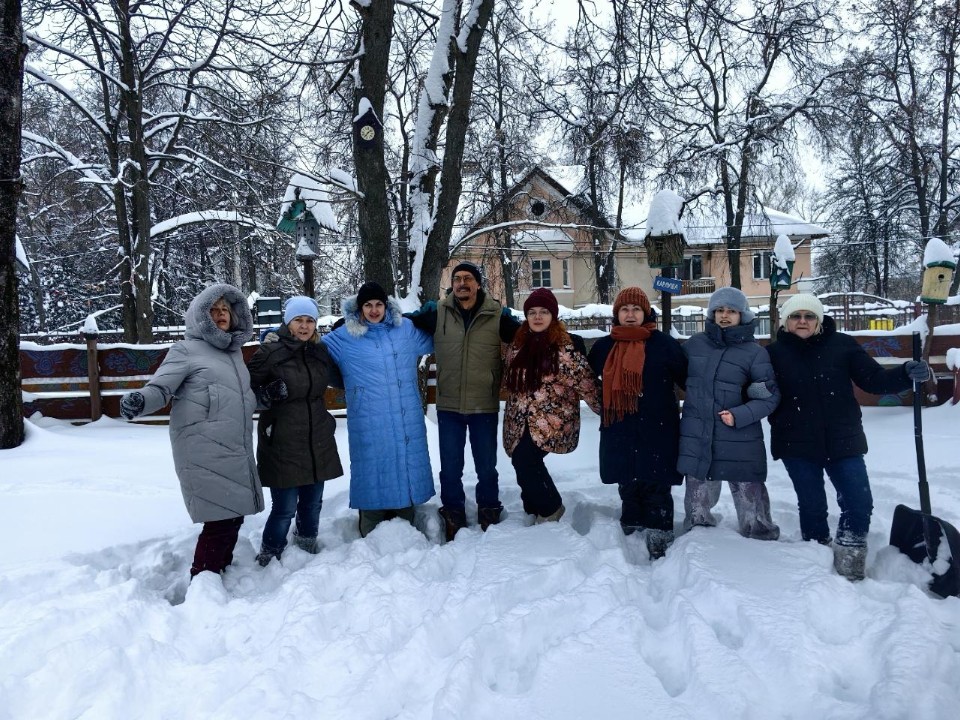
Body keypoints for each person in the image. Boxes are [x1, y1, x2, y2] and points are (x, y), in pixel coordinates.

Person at [767, 293, 931, 581]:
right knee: (812, 504)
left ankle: (850, 557)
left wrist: (906, 373)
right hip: (796, 442)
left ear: (818, 320)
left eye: (809, 316)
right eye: (795, 316)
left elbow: (874, 380)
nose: (802, 321)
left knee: (858, 502)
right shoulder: (773, 353)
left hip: (844, 439)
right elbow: (757, 390)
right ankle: (816, 554)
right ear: (786, 321)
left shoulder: (842, 345)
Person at [119, 284, 263, 578]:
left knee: (232, 517)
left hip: (235, 447)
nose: (222, 314)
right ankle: (203, 578)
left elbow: (238, 397)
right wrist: (140, 401)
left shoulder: (234, 355)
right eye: (214, 310)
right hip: (203, 449)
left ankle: (219, 569)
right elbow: (161, 388)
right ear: (201, 316)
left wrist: (265, 398)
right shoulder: (185, 350)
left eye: (226, 309)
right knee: (219, 519)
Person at [406, 261, 521, 541]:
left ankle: (489, 508)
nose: (461, 283)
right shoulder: (438, 312)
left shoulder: (497, 314)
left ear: (478, 284)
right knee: (450, 466)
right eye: (457, 279)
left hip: (484, 404)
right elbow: (400, 324)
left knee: (486, 466)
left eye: (468, 278)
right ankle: (454, 511)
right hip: (449, 405)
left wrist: (567, 341)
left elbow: (527, 337)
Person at [322, 282, 436, 537]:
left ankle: (406, 519)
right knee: (372, 467)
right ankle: (369, 527)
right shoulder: (343, 337)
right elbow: (312, 353)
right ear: (359, 308)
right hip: (367, 419)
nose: (374, 310)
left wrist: (432, 316)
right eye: (368, 305)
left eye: (378, 304)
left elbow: (438, 341)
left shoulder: (404, 329)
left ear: (386, 305)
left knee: (403, 464)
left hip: (405, 415)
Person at [587, 287, 687, 560]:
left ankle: (660, 532)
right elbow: (584, 379)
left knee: (656, 481)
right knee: (627, 478)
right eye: (625, 310)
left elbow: (688, 380)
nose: (630, 315)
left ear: (646, 313)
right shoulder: (604, 346)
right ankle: (631, 522)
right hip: (619, 425)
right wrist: (601, 404)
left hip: (658, 426)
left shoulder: (664, 345)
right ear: (617, 314)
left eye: (636, 310)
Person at [677, 287, 781, 540]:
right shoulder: (694, 345)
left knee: (748, 488)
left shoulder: (754, 353)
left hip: (739, 435)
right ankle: (698, 531)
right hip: (698, 432)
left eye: (731, 311)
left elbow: (769, 396)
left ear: (741, 315)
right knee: (698, 484)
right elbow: (677, 378)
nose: (724, 315)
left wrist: (740, 415)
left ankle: (759, 533)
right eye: (719, 310)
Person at [248, 296, 344, 566]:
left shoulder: (319, 353)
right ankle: (270, 552)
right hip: (282, 440)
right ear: (287, 323)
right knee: (284, 508)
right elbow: (245, 392)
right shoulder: (269, 353)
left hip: (316, 438)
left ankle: (306, 545)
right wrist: (267, 395)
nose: (304, 326)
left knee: (313, 503)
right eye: (298, 320)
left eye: (310, 320)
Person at [502, 288, 600, 522]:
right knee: (522, 458)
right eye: (532, 312)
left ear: (553, 316)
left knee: (525, 458)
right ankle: (533, 506)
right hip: (520, 417)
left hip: (554, 418)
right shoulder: (517, 345)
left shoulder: (565, 348)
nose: (537, 317)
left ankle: (550, 508)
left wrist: (609, 411)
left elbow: (586, 383)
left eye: (544, 312)